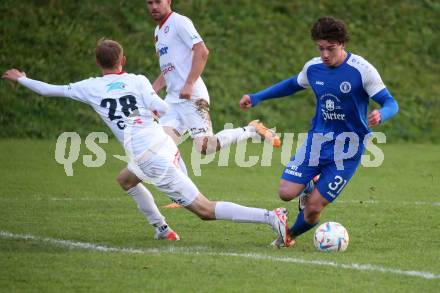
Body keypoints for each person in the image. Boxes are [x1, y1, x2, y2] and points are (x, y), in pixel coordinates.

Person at [2, 39, 290, 246]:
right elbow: (162, 109)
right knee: (126, 179)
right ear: (122, 60)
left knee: (205, 210)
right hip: (161, 142)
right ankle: (162, 230)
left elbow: (50, 90)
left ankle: (270, 217)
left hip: (151, 157)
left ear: (98, 63)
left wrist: (23, 78)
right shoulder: (138, 80)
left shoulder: (89, 87)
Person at [239, 17, 399, 247]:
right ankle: (311, 183)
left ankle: (289, 235)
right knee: (285, 192)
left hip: (348, 148)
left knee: (314, 207)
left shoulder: (362, 70)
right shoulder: (313, 68)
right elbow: (292, 84)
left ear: (342, 44)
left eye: (330, 48)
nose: (325, 54)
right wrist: (257, 97)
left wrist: (382, 114)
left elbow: (391, 102)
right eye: (320, 48)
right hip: (317, 142)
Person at [146, 0, 280, 156]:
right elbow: (168, 69)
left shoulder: (179, 22)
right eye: (150, 2)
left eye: (158, 1)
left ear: (168, 1)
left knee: (205, 147)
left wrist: (189, 83)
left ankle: (252, 130)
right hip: (172, 101)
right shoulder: (158, 32)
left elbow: (202, 51)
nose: (154, 6)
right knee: (160, 149)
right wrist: (151, 92)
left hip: (192, 98)